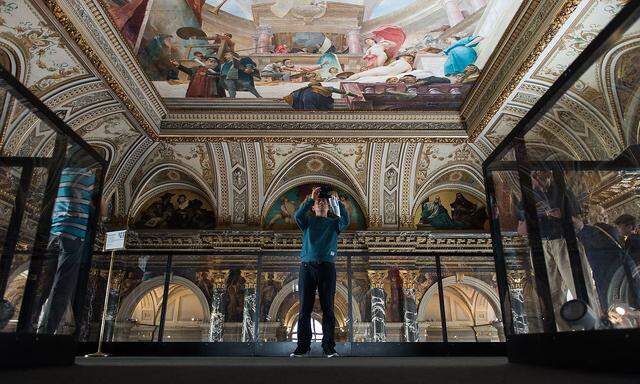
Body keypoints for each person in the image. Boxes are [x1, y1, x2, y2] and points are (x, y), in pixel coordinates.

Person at [517, 171, 601, 330]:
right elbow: (521, 230)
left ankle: (594, 330)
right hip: (540, 245)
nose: (537, 180)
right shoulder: (526, 199)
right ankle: (562, 334)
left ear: (549, 174)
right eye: (534, 177)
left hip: (564, 241)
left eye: (540, 175)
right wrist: (531, 215)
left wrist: (561, 215)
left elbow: (579, 223)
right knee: (551, 296)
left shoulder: (563, 192)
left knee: (581, 288)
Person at [35, 160, 97, 334]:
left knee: (42, 282)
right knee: (62, 285)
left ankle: (30, 327)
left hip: (53, 232)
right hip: (74, 234)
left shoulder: (59, 175)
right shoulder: (87, 177)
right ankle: (46, 331)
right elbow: (99, 210)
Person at [290, 187, 349, 358]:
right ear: (314, 208)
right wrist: (310, 198)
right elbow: (297, 216)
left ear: (328, 207)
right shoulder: (307, 221)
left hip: (327, 267)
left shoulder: (334, 223)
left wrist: (339, 203)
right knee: (304, 309)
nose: (321, 202)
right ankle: (302, 347)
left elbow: (345, 220)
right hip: (307, 267)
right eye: (318, 202)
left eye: (324, 201)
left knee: (328, 309)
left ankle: (328, 347)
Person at [284, 74, 356, 111]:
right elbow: (341, 92)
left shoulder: (304, 90)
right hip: (321, 105)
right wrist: (353, 94)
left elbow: (295, 94)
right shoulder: (325, 89)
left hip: (310, 105)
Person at [346, 52, 415, 81]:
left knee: (360, 74)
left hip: (385, 70)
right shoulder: (409, 66)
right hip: (390, 74)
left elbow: (388, 66)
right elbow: (406, 75)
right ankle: (347, 80)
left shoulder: (399, 61)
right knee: (362, 75)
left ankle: (347, 81)